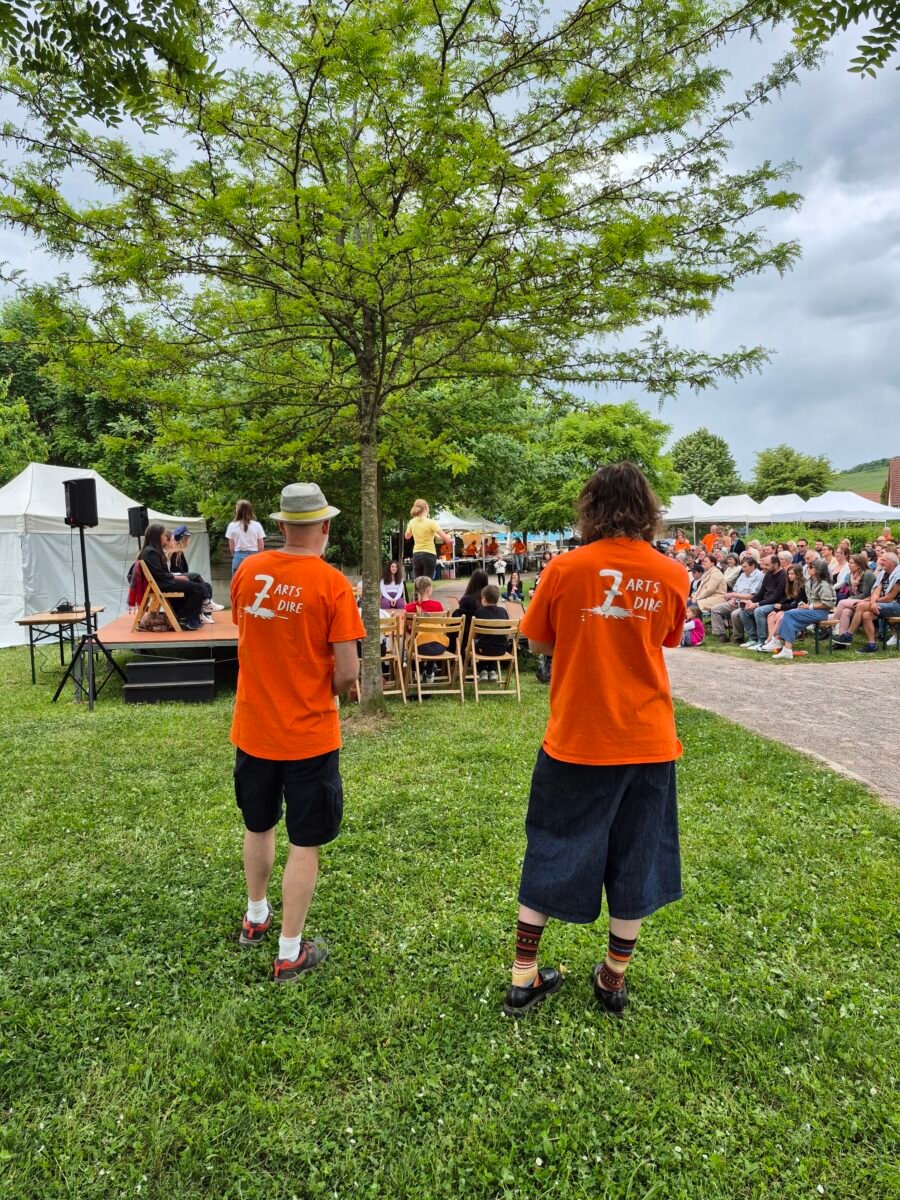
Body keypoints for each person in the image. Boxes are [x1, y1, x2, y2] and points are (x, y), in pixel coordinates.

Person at [504, 461, 687, 1018]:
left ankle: (523, 978)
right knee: (638, 858)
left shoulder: (565, 568)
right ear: (648, 511)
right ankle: (612, 979)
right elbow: (668, 639)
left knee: (553, 844)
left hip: (577, 738)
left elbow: (536, 642)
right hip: (648, 739)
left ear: (591, 509)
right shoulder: (671, 574)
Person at [231, 483, 364, 983]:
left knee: (258, 824)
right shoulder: (331, 583)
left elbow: (250, 634)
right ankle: (290, 951)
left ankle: (256, 916)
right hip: (308, 735)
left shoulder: (246, 571)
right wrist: (326, 687)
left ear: (281, 526)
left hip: (254, 728)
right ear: (324, 527)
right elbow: (349, 673)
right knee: (305, 841)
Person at [139, 523, 206, 630]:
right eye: (164, 535)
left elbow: (160, 573)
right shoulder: (150, 552)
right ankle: (184, 619)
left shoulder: (152, 550)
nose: (166, 537)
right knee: (197, 588)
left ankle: (190, 618)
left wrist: (175, 577)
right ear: (157, 536)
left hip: (162, 582)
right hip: (162, 584)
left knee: (195, 583)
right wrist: (176, 577)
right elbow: (159, 574)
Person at [765, 559, 836, 658]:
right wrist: (805, 606)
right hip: (811, 610)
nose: (808, 568)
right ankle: (785, 648)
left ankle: (779, 643)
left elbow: (828, 604)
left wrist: (809, 606)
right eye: (808, 566)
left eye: (811, 567)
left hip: (821, 612)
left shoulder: (824, 584)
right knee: (790, 617)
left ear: (818, 570)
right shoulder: (810, 582)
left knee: (788, 614)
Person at [168, 525, 224, 623]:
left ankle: (205, 612)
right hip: (177, 581)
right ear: (183, 540)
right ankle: (204, 610)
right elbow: (177, 572)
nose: (189, 541)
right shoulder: (175, 554)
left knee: (205, 585)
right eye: (188, 539)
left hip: (179, 579)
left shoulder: (179, 554)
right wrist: (193, 577)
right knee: (202, 585)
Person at [737, 555, 788, 650]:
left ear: (776, 565)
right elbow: (761, 593)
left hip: (777, 604)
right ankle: (753, 638)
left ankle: (762, 640)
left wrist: (757, 604)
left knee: (758, 611)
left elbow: (775, 597)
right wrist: (750, 601)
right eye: (764, 564)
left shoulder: (783, 576)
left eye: (767, 565)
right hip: (765, 602)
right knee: (744, 609)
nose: (764, 567)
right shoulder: (768, 574)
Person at [708, 557, 763, 642]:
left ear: (753, 566)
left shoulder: (758, 576)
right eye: (742, 567)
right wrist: (733, 598)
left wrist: (734, 595)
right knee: (715, 609)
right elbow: (736, 589)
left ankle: (738, 637)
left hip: (748, 603)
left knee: (734, 614)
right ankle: (722, 634)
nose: (743, 569)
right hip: (736, 601)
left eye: (745, 567)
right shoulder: (742, 575)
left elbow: (752, 596)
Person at [405, 575, 447, 683]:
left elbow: (406, 629)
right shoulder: (438, 606)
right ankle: (429, 672)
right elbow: (442, 628)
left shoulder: (409, 607)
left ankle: (417, 672)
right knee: (433, 635)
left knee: (415, 639)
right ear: (429, 590)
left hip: (419, 648)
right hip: (440, 647)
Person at [405, 499, 452, 579]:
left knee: (418, 581)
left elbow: (407, 536)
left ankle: (417, 592)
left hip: (417, 554)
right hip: (429, 554)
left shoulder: (412, 522)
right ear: (426, 507)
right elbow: (446, 539)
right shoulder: (431, 523)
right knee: (427, 581)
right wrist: (450, 540)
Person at [474, 584, 510, 681]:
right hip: (501, 649)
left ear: (484, 598)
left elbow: (474, 635)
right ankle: (493, 671)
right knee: (494, 641)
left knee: (477, 643)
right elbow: (507, 633)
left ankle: (482, 671)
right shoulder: (503, 611)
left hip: (483, 650)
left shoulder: (478, 612)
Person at [227, 500, 266, 577]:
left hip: (238, 556)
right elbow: (261, 547)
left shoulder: (232, 525)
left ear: (237, 511)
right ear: (250, 511)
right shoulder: (257, 525)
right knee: (254, 581)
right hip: (254, 556)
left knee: (237, 582)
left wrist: (237, 555)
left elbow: (232, 547)